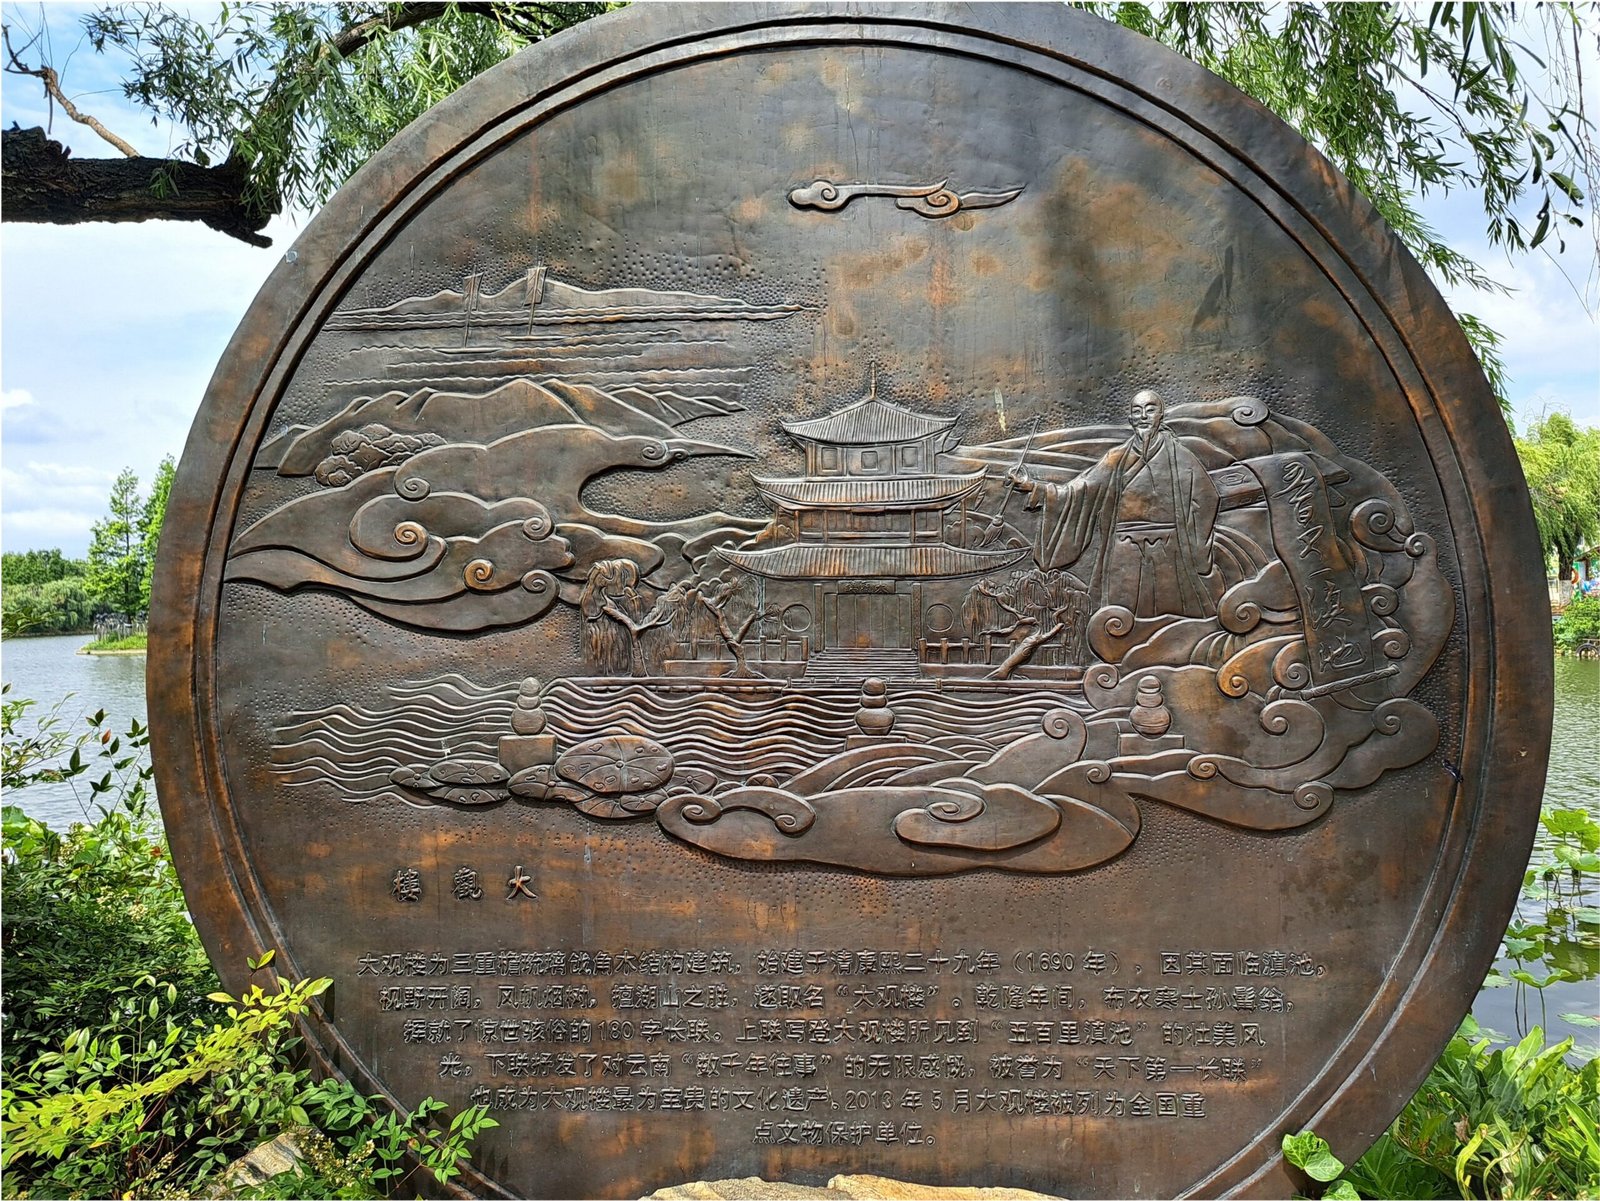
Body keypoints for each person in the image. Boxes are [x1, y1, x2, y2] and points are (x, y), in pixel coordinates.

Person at [1007, 389, 1223, 619]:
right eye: (1137, 411)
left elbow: (1207, 497)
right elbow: (1080, 490)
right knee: (1118, 614)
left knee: (1174, 614)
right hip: (1124, 548)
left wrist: (1194, 545)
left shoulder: (1180, 456)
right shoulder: (1116, 458)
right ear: (1130, 419)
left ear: (1161, 416)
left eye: (1150, 410)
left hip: (1168, 547)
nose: (1143, 416)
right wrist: (1035, 487)